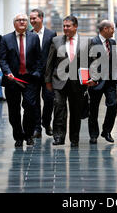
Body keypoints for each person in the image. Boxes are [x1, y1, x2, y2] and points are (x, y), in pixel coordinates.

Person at [45, 15, 91, 147]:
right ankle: (59, 137)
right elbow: (50, 62)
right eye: (64, 26)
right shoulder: (56, 40)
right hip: (59, 81)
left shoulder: (86, 42)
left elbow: (91, 61)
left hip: (78, 83)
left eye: (68, 26)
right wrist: (48, 80)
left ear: (75, 26)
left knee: (75, 111)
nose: (65, 28)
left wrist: (92, 78)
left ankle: (74, 138)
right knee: (59, 108)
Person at [0, 14, 43, 147]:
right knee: (14, 110)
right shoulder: (6, 39)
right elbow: (2, 59)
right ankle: (18, 136)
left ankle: (28, 135)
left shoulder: (34, 37)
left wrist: (36, 73)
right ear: (14, 24)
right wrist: (7, 72)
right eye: (19, 20)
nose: (22, 22)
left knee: (30, 106)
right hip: (12, 80)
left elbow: (39, 58)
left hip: (30, 80)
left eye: (24, 20)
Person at [88, 20, 117, 144]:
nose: (114, 31)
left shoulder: (112, 42)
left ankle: (106, 131)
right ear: (105, 29)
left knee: (113, 105)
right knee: (93, 109)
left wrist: (116, 78)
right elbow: (86, 61)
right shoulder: (92, 42)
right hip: (95, 81)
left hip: (110, 81)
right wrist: (89, 78)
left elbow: (114, 61)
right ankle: (93, 134)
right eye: (112, 29)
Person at [29, 8, 57, 138]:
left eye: (34, 18)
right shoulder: (28, 35)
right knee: (34, 102)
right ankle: (37, 128)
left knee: (49, 100)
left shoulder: (51, 34)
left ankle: (46, 122)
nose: (32, 21)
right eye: (31, 18)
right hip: (33, 75)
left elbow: (55, 54)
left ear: (41, 18)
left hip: (48, 75)